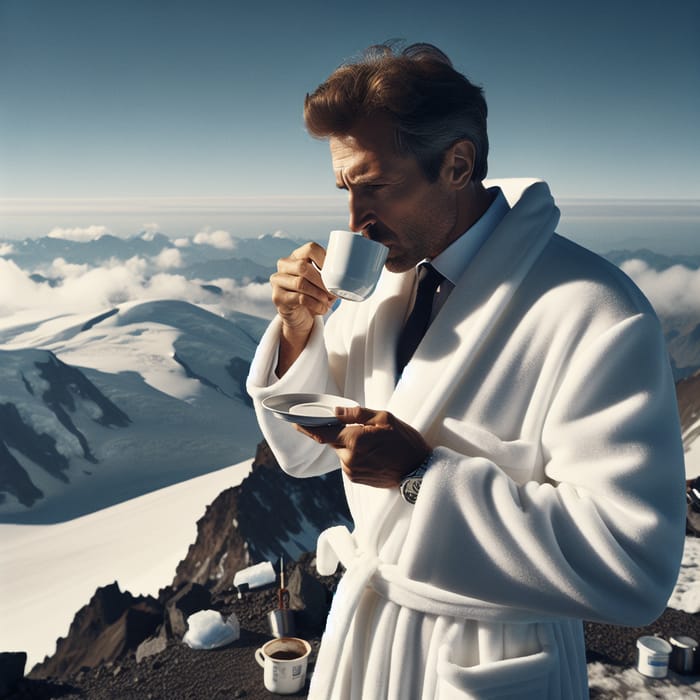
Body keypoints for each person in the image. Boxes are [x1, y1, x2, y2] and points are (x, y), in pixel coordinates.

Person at [247, 42, 686, 699]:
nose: (354, 222)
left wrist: (424, 477)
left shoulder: (596, 310)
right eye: (345, 189)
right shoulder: (378, 290)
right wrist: (297, 330)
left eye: (377, 186)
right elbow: (299, 455)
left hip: (492, 662)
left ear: (457, 164)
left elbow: (633, 567)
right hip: (367, 645)